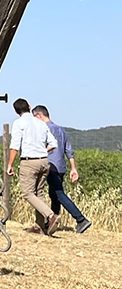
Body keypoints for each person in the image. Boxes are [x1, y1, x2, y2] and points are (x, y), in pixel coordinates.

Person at [33, 105, 92, 234]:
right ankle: (51, 224)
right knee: (54, 195)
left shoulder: (43, 129)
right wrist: (73, 168)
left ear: (39, 116)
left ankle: (81, 219)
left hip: (50, 165)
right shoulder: (61, 130)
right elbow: (68, 150)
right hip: (61, 167)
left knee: (59, 195)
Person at [6, 98, 58, 235]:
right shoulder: (41, 123)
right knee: (39, 192)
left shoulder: (19, 123)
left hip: (29, 162)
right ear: (29, 107)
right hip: (44, 161)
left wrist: (10, 164)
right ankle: (39, 226)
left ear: (16, 111)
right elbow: (53, 143)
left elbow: (15, 146)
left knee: (28, 193)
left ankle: (50, 216)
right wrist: (41, 151)